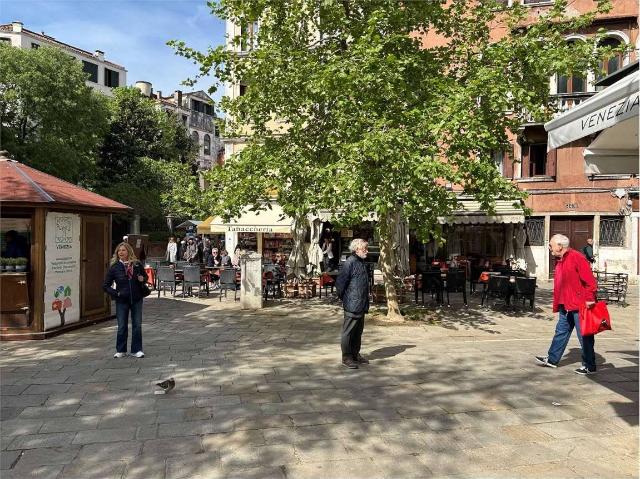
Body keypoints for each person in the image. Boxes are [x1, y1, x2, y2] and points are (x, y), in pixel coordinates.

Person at [536, 234, 598, 375]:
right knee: (561, 331)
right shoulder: (560, 260)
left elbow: (590, 282)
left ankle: (590, 365)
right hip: (565, 304)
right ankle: (552, 359)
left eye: (551, 245)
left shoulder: (577, 257)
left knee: (584, 335)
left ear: (560, 246)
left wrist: (589, 299)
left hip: (580, 304)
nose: (549, 247)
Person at [103, 242, 148, 359]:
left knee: (137, 325)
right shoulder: (115, 267)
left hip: (136, 299)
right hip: (122, 300)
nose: (121, 252)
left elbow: (145, 278)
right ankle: (121, 350)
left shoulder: (137, 265)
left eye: (123, 250)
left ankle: (136, 350)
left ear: (128, 252)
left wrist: (142, 279)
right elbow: (105, 286)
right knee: (122, 326)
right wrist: (116, 293)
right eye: (119, 251)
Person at [335, 238, 370, 369]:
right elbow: (340, 284)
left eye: (367, 248)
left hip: (361, 303)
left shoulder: (361, 262)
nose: (367, 251)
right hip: (352, 303)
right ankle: (347, 357)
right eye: (364, 248)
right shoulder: (350, 263)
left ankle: (355, 354)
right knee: (348, 332)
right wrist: (345, 298)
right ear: (356, 249)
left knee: (358, 331)